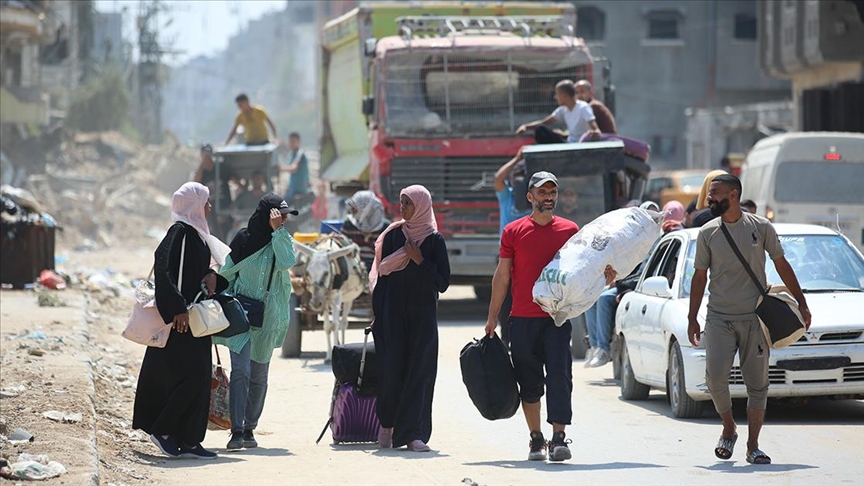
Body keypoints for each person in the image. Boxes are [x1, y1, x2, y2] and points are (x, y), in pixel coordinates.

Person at [484, 171, 616, 462]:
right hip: (521, 318)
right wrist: (493, 316)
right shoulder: (513, 231)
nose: (548, 197)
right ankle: (535, 439)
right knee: (528, 382)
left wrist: (604, 275)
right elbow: (503, 276)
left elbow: (585, 266)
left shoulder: (570, 230)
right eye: (542, 192)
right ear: (530, 197)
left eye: (552, 192)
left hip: (556, 318)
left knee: (559, 376)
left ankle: (558, 438)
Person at [688, 174, 811, 465]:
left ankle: (753, 445)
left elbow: (782, 264)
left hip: (754, 317)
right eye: (709, 195)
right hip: (719, 317)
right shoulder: (707, 232)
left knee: (758, 384)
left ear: (733, 195)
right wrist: (693, 317)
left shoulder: (761, 227)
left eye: (714, 194)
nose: (709, 200)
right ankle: (729, 427)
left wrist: (802, 302)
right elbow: (699, 276)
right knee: (715, 378)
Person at [133, 182, 231, 460]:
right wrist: (176, 309)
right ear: (194, 205)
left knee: (199, 378)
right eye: (206, 202)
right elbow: (163, 267)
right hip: (181, 321)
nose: (210, 207)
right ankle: (163, 431)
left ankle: (189, 439)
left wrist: (214, 277)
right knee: (192, 377)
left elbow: (198, 272)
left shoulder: (197, 234)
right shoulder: (180, 232)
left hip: (194, 319)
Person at [214, 194, 298, 451]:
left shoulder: (281, 240)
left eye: (285, 217)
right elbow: (226, 274)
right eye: (279, 215)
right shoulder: (243, 239)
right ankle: (236, 430)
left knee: (259, 376)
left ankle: (250, 427)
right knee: (240, 372)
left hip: (268, 317)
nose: (283, 220)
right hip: (241, 316)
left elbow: (287, 263)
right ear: (267, 214)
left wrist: (278, 232)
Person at [370, 185, 450, 452]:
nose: (402, 208)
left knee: (420, 374)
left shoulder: (435, 241)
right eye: (401, 203)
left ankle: (414, 433)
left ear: (422, 206)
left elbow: (442, 283)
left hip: (422, 318)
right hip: (392, 315)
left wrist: (419, 260)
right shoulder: (393, 236)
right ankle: (387, 426)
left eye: (408, 204)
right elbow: (382, 279)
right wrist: (377, 316)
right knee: (391, 370)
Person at [494, 149, 532, 345]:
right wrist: (516, 159)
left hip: (528, 255)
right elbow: (498, 178)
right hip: (507, 254)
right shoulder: (507, 196)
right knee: (505, 297)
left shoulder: (533, 200)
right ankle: (506, 337)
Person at [516, 80, 601, 144]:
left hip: (579, 145)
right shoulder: (563, 109)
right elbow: (545, 122)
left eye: (557, 94)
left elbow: (595, 129)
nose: (555, 97)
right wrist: (526, 127)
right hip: (569, 142)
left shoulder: (583, 107)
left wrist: (594, 132)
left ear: (564, 96)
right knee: (541, 131)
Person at [193, 143, 234, 239]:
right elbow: (196, 182)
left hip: (225, 206)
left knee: (228, 231)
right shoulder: (202, 172)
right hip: (211, 209)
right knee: (214, 234)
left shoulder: (220, 167)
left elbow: (233, 178)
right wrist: (203, 162)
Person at [342, 190, 389, 271]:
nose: (353, 213)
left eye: (355, 210)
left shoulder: (385, 228)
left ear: (367, 211)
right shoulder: (349, 225)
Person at [279, 132, 311, 202]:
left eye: (293, 141)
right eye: (290, 142)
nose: (291, 144)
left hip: (299, 189)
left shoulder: (300, 153)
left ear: (298, 142)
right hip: (292, 189)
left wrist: (281, 168)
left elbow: (294, 168)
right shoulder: (292, 154)